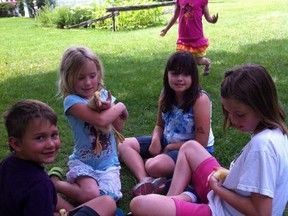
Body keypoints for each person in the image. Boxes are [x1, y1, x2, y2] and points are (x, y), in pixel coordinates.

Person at [129, 64, 288, 216]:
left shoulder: (263, 147)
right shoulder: (277, 135)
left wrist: (217, 188)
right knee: (190, 147)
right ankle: (175, 199)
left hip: (221, 211)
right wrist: (229, 175)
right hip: (226, 198)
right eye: (228, 112)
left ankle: (183, 199)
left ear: (261, 105)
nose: (232, 119)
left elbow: (261, 213)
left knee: (139, 205)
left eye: (239, 114)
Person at [118, 51, 214, 196]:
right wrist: (156, 139)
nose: (180, 79)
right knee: (123, 144)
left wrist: (169, 147)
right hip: (166, 141)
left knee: (154, 165)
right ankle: (146, 180)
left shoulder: (199, 100)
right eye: (175, 74)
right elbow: (159, 125)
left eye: (186, 74)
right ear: (167, 75)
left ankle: (147, 165)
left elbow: (201, 142)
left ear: (193, 76)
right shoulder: (166, 94)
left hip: (191, 151)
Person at [0, 99, 117, 216]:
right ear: (16, 144)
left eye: (54, 135)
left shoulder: (7, 164)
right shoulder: (40, 185)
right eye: (40, 138)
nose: (50, 144)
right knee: (107, 203)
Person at [52, 46, 129, 204]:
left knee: (109, 198)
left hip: (108, 164)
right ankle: (55, 183)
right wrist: (119, 106)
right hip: (84, 162)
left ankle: (77, 187)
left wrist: (109, 107)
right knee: (90, 195)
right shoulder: (72, 101)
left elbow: (119, 127)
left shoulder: (104, 96)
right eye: (80, 78)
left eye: (92, 76)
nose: (88, 82)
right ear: (68, 77)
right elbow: (101, 121)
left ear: (98, 74)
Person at [160, 0, 218, 76]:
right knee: (182, 61)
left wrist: (213, 20)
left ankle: (207, 63)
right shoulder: (179, 1)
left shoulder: (202, 1)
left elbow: (208, 18)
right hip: (183, 38)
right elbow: (174, 17)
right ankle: (190, 80)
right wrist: (166, 29)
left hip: (196, 37)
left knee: (198, 61)